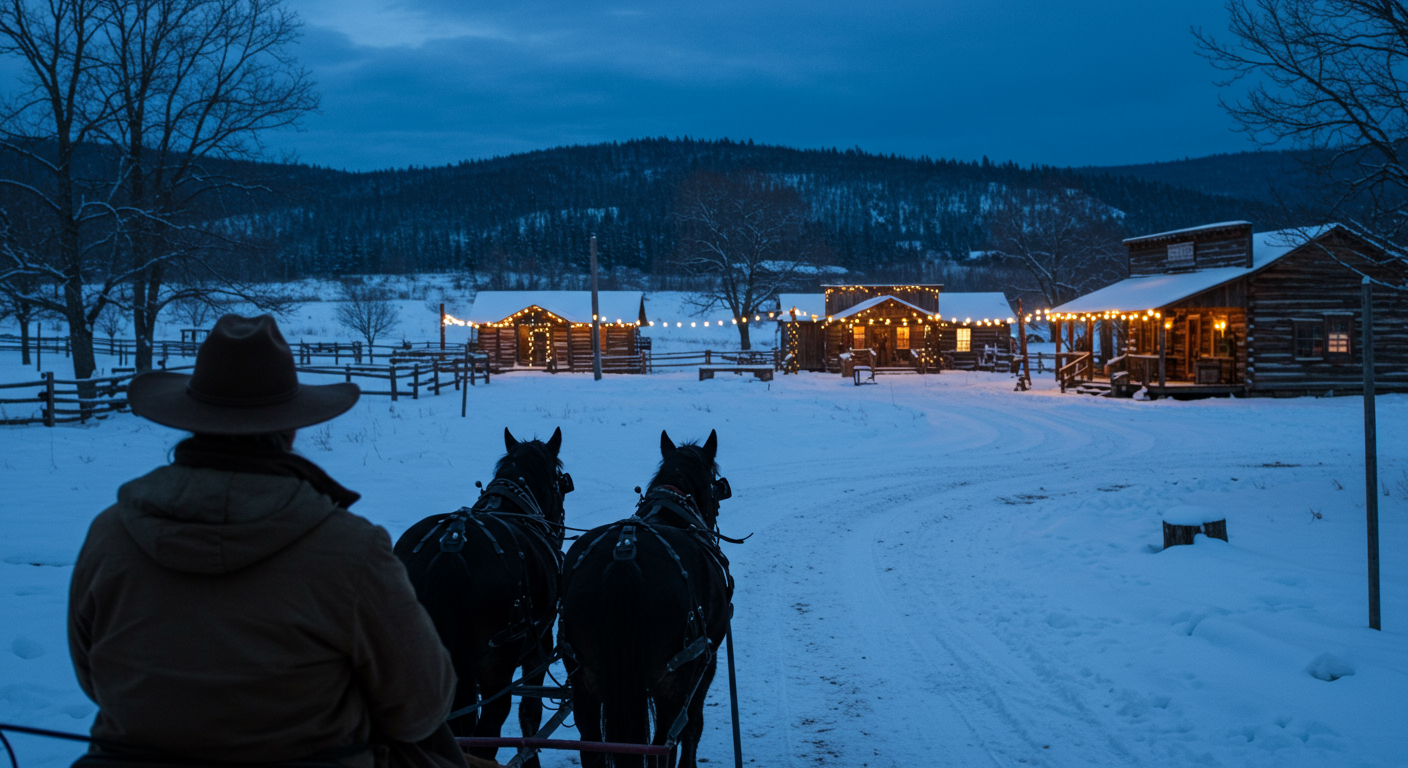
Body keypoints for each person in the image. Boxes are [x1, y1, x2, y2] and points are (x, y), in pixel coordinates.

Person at [67, 314, 465, 768]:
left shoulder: (110, 533)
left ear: (190, 420)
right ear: (291, 428)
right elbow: (422, 706)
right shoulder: (351, 551)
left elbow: (93, 676)